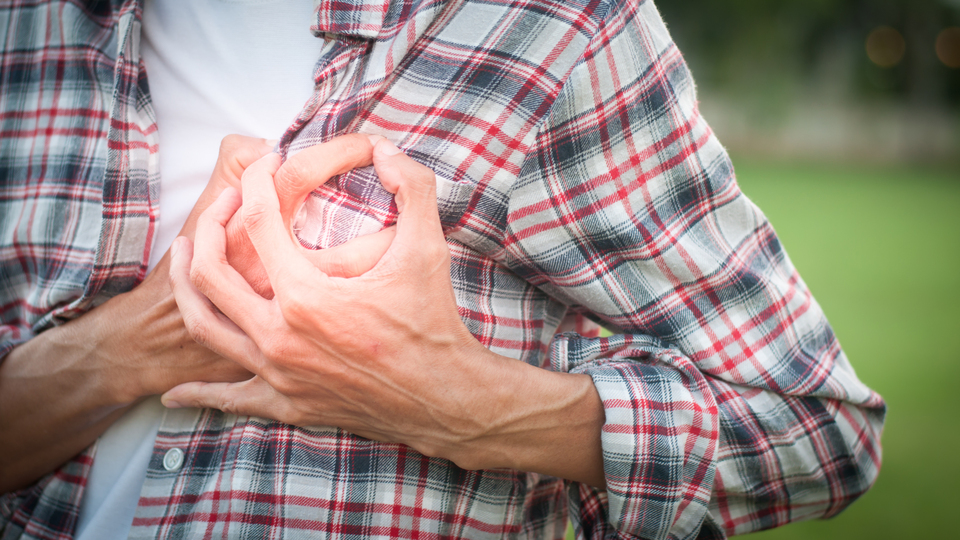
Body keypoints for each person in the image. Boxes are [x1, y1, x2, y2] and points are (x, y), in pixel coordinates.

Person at [0, 0, 885, 539]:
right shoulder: (31, 29)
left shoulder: (550, 25)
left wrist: (461, 403)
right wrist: (135, 343)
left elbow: (816, 429)